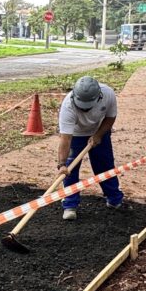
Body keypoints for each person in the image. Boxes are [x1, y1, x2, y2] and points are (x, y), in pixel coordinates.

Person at [55, 75, 126, 221]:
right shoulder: (68, 106)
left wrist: (99, 135)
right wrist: (62, 164)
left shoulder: (108, 94)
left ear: (98, 97)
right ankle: (70, 205)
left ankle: (114, 199)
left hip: (99, 131)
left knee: (105, 166)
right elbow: (65, 138)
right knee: (70, 170)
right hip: (75, 135)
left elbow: (110, 118)